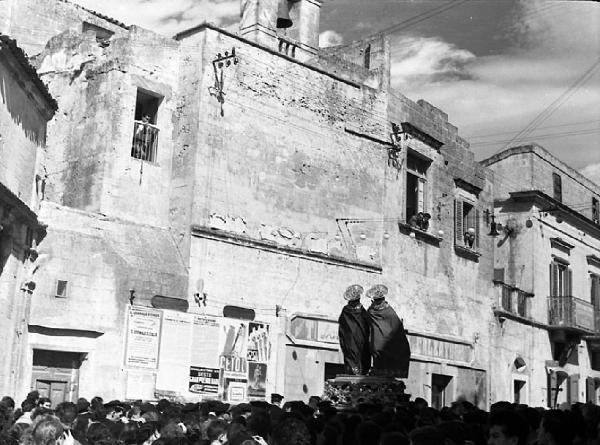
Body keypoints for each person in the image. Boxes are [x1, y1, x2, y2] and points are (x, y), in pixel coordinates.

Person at [365, 284, 411, 378]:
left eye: (378, 300)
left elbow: (395, 326)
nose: (375, 302)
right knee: (376, 350)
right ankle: (377, 370)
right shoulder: (371, 310)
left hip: (387, 339)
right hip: (376, 337)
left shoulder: (389, 311)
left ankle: (382, 371)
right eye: (375, 300)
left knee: (383, 351)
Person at [338, 284, 372, 375]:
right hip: (355, 339)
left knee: (354, 354)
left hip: (352, 340)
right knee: (355, 355)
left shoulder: (346, 310)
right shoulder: (361, 311)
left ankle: (355, 370)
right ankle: (357, 371)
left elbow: (341, 324)